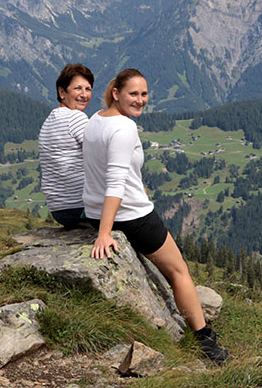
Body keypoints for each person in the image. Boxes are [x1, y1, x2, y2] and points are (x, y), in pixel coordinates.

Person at [82, 68, 229, 365]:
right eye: (133, 94)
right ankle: (206, 341)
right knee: (179, 272)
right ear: (116, 93)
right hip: (132, 217)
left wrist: (99, 223)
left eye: (144, 94)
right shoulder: (125, 128)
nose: (140, 100)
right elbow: (115, 182)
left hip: (95, 212)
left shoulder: (96, 119)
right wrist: (105, 233)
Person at [38, 63, 93, 229]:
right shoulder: (76, 118)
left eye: (88, 89)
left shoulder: (48, 122)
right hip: (82, 207)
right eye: (78, 88)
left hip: (59, 211)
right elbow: (99, 158)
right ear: (62, 92)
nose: (84, 95)